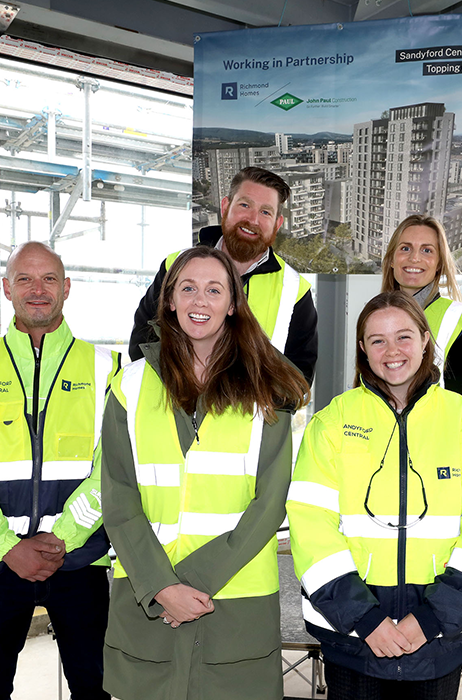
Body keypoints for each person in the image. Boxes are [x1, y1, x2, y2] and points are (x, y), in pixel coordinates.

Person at [286, 291, 462, 699]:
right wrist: (365, 619)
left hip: (437, 639)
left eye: (404, 337)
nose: (391, 351)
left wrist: (431, 618)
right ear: (362, 348)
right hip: (353, 639)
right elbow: (311, 525)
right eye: (377, 340)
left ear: (425, 340)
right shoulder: (332, 422)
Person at [101, 246, 310, 700]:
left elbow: (270, 502)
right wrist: (161, 586)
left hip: (233, 599)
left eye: (214, 290)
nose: (200, 300)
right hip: (148, 595)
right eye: (188, 288)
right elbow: (118, 498)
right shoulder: (129, 386)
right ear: (170, 299)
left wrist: (187, 585)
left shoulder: (267, 390)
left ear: (232, 304)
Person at [0, 241, 121, 700]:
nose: (37, 290)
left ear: (67, 288)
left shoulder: (108, 368)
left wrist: (63, 539)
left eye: (49, 279)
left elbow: (115, 468)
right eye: (25, 279)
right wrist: (7, 549)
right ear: (7, 290)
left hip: (78, 562)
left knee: (94, 688)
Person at [128, 166, 318, 385]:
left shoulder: (295, 289)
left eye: (265, 212)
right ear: (225, 206)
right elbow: (143, 345)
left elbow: (298, 380)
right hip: (171, 413)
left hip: (248, 418)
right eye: (245, 205)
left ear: (277, 224)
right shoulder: (175, 266)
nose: (253, 219)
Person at [381, 214, 462, 408]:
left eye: (427, 250)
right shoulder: (375, 318)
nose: (414, 258)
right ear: (391, 260)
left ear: (439, 264)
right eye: (405, 248)